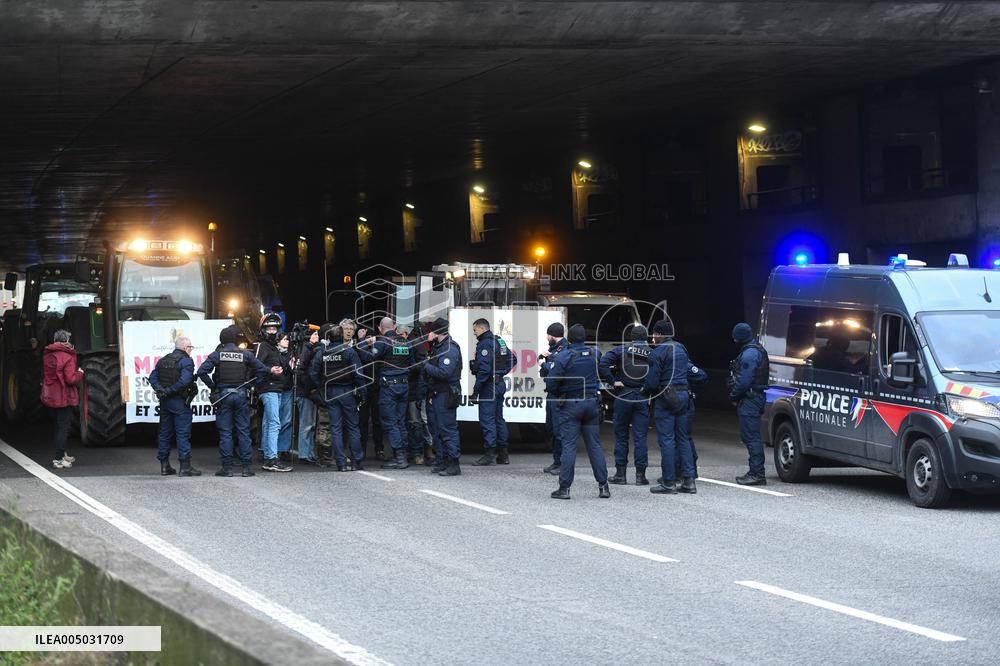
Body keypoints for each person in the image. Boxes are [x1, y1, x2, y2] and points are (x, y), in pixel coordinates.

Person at [544, 323, 609, 500]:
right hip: (591, 403)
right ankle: (604, 487)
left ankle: (564, 489)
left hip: (571, 404)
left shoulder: (564, 356)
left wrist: (558, 392)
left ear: (570, 338)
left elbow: (551, 382)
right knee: (594, 446)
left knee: (569, 446)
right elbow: (603, 369)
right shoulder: (594, 353)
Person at [197, 325, 272, 477]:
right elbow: (263, 370)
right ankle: (246, 468)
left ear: (222, 340)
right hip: (241, 395)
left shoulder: (217, 354)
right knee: (243, 431)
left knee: (225, 433)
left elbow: (201, 372)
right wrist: (252, 385)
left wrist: (214, 387)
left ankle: (227, 468)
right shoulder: (245, 354)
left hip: (223, 396)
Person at [642, 319, 696, 495]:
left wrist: (645, 392)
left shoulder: (657, 353)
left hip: (666, 396)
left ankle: (669, 482)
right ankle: (689, 481)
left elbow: (652, 381)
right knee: (683, 438)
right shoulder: (682, 348)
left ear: (658, 334)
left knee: (667, 440)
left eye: (654, 334)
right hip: (684, 395)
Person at [599, 324, 651, 486]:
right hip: (642, 397)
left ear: (631, 338)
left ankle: (620, 475)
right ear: (646, 338)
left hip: (624, 395)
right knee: (640, 437)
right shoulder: (653, 353)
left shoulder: (622, 350)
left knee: (621, 436)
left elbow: (602, 364)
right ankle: (640, 476)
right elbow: (658, 373)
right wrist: (649, 387)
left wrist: (613, 381)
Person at [357, 316, 413, 470]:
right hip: (404, 385)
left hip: (389, 387)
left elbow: (369, 357)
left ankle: (399, 457)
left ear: (379, 328)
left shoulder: (383, 342)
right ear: (394, 327)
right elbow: (412, 363)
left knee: (390, 421)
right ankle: (403, 454)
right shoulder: (406, 342)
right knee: (401, 421)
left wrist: (362, 341)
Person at [309, 325, 366, 471]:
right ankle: (356, 462)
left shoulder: (323, 352)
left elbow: (313, 372)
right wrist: (363, 393)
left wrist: (321, 387)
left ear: (328, 338)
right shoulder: (349, 351)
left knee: (335, 428)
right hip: (347, 392)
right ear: (342, 337)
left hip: (331, 393)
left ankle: (341, 463)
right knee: (353, 427)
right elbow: (358, 374)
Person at [149, 336, 201, 477]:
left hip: (165, 402)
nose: (191, 350)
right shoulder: (186, 361)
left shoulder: (163, 360)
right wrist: (170, 391)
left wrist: (161, 390)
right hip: (179, 401)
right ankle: (185, 467)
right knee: (183, 434)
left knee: (164, 434)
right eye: (190, 347)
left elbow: (152, 377)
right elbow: (185, 381)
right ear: (185, 348)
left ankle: (164, 467)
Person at [470, 318, 517, 466]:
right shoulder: (499, 341)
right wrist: (501, 373)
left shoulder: (485, 344)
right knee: (499, 419)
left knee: (487, 420)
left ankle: (489, 455)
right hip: (499, 384)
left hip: (488, 386)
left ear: (483, 329)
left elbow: (484, 370)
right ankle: (503, 455)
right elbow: (513, 359)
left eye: (475, 330)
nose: (474, 333)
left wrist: (476, 390)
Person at [729, 322, 770, 486]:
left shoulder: (750, 354)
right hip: (754, 397)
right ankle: (756, 472)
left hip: (750, 399)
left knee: (751, 437)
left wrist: (733, 395)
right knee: (751, 436)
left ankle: (757, 473)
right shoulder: (755, 350)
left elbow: (744, 380)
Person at [422, 318, 463, 476]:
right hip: (438, 393)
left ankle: (454, 463)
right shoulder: (439, 347)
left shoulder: (449, 349)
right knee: (439, 430)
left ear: (436, 332)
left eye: (431, 331)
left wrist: (426, 365)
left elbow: (444, 373)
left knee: (448, 429)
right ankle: (444, 461)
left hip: (446, 394)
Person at [255, 313, 294, 472]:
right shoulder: (262, 346)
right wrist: (269, 370)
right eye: (269, 328)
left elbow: (285, 368)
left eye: (274, 328)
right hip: (268, 388)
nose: (271, 331)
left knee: (268, 422)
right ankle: (271, 459)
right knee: (274, 423)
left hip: (276, 389)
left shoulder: (273, 348)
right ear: (263, 329)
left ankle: (267, 454)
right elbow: (254, 365)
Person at [41, 329, 84, 470]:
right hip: (63, 397)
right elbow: (70, 380)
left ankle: (63, 453)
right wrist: (79, 373)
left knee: (57, 427)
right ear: (66, 341)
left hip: (51, 396)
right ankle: (59, 460)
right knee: (64, 429)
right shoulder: (67, 357)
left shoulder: (48, 355)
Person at [351, 319, 384, 461]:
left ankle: (379, 449)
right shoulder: (360, 348)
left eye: (372, 336)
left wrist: (363, 341)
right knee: (363, 421)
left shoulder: (379, 349)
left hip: (377, 389)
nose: (370, 339)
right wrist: (362, 341)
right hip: (364, 388)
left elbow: (371, 358)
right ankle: (362, 449)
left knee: (378, 421)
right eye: (367, 337)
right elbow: (363, 358)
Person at [538, 322, 567, 475]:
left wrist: (545, 364)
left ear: (552, 335)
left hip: (559, 396)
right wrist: (542, 359)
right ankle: (556, 461)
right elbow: (543, 361)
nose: (547, 337)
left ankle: (562, 463)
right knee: (551, 429)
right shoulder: (554, 349)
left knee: (559, 431)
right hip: (551, 394)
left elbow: (556, 369)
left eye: (548, 335)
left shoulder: (563, 349)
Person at [404, 323, 433, 466]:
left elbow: (417, 369)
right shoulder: (420, 345)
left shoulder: (413, 344)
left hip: (413, 390)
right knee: (419, 422)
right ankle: (421, 452)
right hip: (416, 389)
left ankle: (417, 452)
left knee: (415, 422)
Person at [295, 329, 323, 466]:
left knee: (310, 425)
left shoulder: (310, 349)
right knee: (307, 425)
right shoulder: (305, 350)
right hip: (305, 393)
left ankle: (309, 453)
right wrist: (309, 388)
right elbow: (299, 372)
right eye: (314, 334)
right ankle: (305, 454)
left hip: (308, 392)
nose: (317, 336)